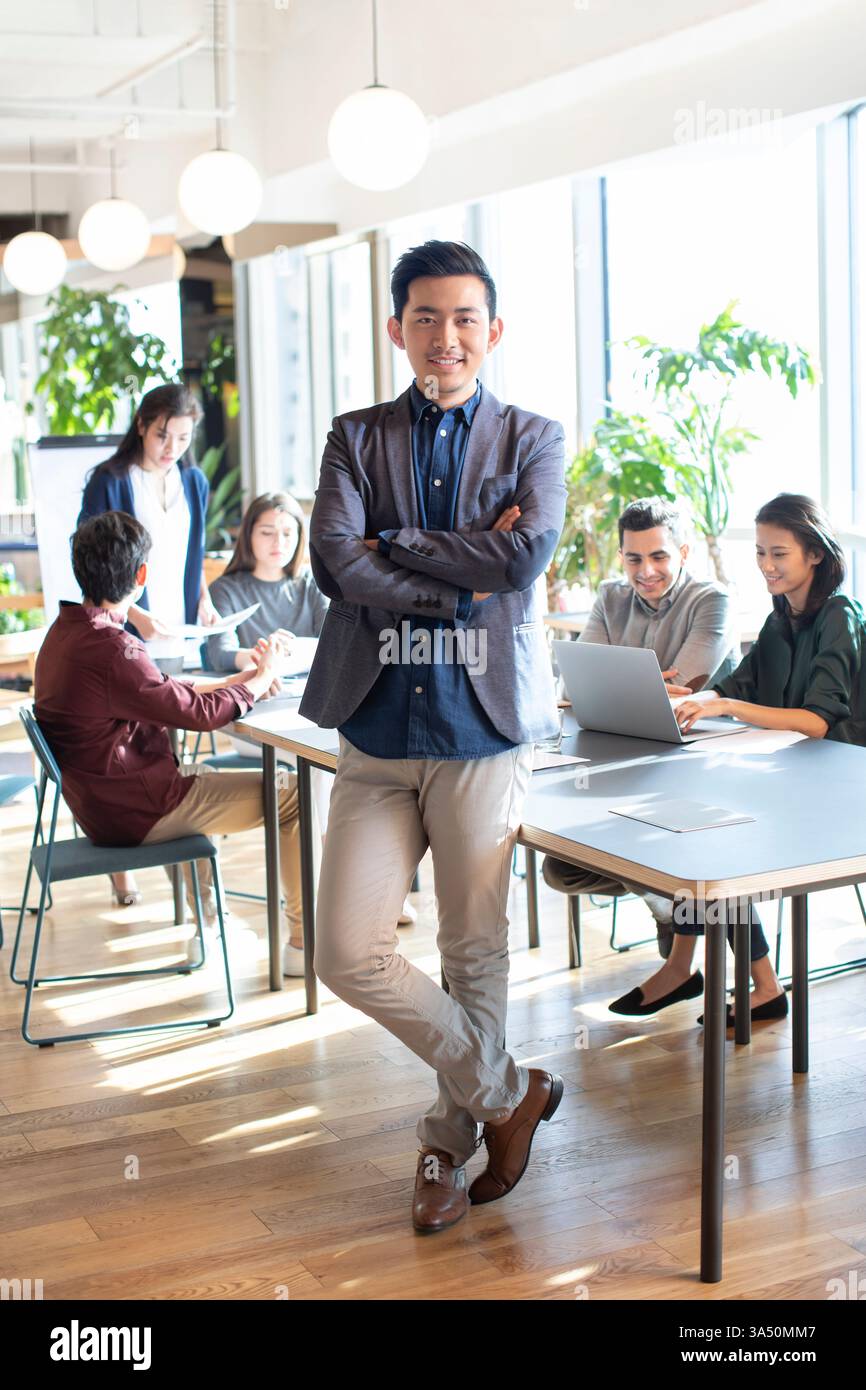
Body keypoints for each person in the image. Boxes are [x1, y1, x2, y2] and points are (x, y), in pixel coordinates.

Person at [298, 239, 568, 1234]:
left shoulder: (533, 438)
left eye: (463, 319)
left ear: (489, 331)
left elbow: (525, 551)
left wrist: (397, 545)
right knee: (346, 951)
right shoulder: (354, 437)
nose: (444, 337)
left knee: (472, 954)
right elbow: (333, 563)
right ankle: (509, 1094)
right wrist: (461, 573)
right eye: (424, 317)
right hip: (374, 728)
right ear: (395, 328)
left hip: (481, 730)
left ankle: (443, 1148)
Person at [598, 493, 863, 1028]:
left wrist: (724, 704)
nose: (766, 565)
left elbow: (816, 721)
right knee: (694, 828)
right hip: (793, 775)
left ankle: (748, 983)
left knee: (715, 840)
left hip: (841, 790)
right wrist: (673, 696)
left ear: (814, 554)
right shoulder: (782, 615)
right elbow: (734, 684)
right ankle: (705, 972)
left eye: (779, 554)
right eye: (761, 552)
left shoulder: (840, 615)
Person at [34, 511, 302, 961]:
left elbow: (161, 693)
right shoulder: (116, 649)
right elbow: (197, 715)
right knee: (294, 796)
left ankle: (213, 929)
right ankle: (301, 943)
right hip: (137, 810)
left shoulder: (67, 634)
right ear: (141, 575)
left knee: (202, 772)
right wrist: (260, 681)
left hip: (103, 802)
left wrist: (248, 678)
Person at [542, 495, 739, 957]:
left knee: (655, 848)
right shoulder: (610, 596)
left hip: (700, 767)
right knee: (562, 869)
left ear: (684, 553)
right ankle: (669, 909)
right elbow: (579, 680)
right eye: (634, 558)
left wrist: (618, 677)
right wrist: (647, 680)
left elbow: (684, 690)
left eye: (659, 556)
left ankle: (685, 923)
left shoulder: (713, 600)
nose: (645, 570)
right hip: (623, 755)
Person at [78, 383, 220, 908]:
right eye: (163, 434)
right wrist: (135, 615)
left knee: (171, 754)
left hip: (177, 630)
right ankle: (126, 866)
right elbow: (93, 565)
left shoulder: (194, 479)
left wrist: (201, 598)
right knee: (131, 752)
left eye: (182, 438)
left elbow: (192, 551)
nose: (171, 447)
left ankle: (183, 878)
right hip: (128, 635)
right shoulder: (112, 481)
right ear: (142, 425)